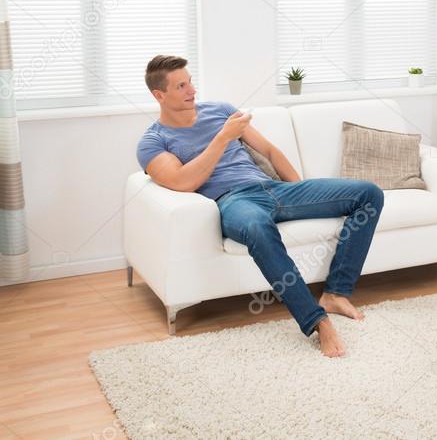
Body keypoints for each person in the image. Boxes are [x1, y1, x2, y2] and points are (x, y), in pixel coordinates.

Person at [135, 54, 382, 358]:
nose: (192, 90)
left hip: (275, 189)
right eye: (182, 85)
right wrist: (222, 138)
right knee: (257, 227)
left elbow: (267, 149)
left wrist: (298, 190)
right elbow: (183, 181)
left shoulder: (221, 110)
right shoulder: (154, 141)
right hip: (234, 201)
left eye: (191, 82)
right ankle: (317, 321)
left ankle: (336, 292)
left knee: (369, 194)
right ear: (159, 95)